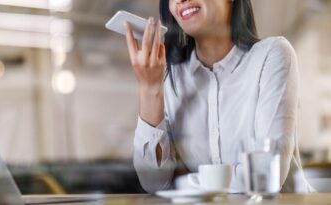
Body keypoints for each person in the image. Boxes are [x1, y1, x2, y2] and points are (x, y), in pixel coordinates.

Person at [124, 0, 313, 193]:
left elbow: (265, 174)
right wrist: (149, 88)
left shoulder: (272, 55)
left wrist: (182, 182)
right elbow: (154, 183)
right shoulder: (170, 76)